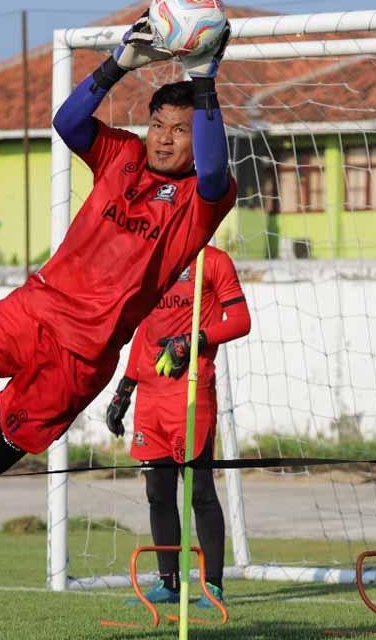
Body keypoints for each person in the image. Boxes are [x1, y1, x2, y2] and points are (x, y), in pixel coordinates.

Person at [0, 13, 236, 503]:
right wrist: (119, 64)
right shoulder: (123, 155)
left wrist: (204, 79)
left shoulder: (201, 198)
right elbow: (67, 123)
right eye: (158, 125)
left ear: (195, 139)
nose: (163, 137)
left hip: (82, 357)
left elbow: (216, 167)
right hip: (31, 312)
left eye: (180, 130)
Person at [104, 245, 251, 608]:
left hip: (190, 391)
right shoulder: (152, 260)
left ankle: (212, 586)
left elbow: (241, 320)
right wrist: (125, 387)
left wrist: (194, 339)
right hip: (151, 397)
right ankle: (168, 583)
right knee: (157, 491)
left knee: (199, 489)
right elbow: (145, 328)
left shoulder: (213, 261)